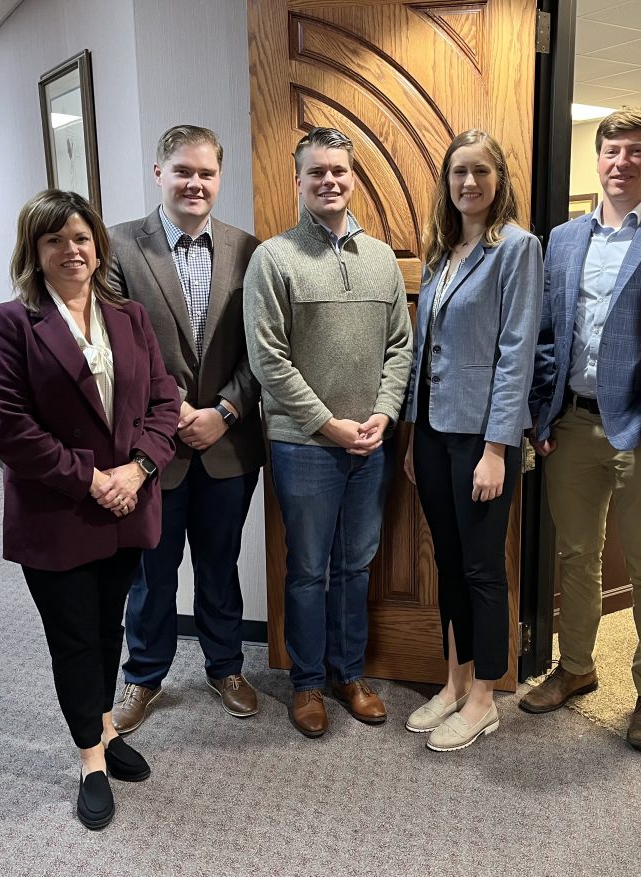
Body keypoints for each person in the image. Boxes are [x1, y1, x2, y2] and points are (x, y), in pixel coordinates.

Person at [0, 190, 179, 830]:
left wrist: (139, 469)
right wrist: (92, 479)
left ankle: (107, 729)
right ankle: (92, 758)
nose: (73, 251)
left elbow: (165, 402)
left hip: (127, 504)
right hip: (59, 513)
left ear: (99, 245)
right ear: (34, 252)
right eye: (55, 240)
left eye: (82, 238)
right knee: (73, 637)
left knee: (108, 628)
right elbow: (10, 428)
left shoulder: (130, 318)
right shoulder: (9, 323)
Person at [524, 108, 641, 753]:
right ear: (596, 159)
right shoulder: (564, 239)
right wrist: (543, 413)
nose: (621, 161)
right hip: (572, 424)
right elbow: (547, 335)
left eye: (635, 151)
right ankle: (575, 667)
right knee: (575, 555)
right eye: (611, 150)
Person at [244, 127, 412, 738]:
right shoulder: (274, 258)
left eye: (339, 170)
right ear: (298, 181)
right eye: (316, 172)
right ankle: (308, 683)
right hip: (304, 445)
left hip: (371, 443)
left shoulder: (382, 260)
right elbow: (268, 359)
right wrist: (328, 424)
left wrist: (385, 414)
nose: (330, 181)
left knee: (357, 565)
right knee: (309, 567)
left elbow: (400, 346)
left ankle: (350, 674)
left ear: (353, 176)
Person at [108, 125, 264, 734]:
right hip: (153, 446)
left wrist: (224, 411)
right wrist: (175, 415)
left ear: (219, 179)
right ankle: (143, 675)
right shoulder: (119, 246)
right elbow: (119, 346)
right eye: (182, 171)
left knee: (220, 564)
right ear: (158, 173)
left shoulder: (249, 250)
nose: (194, 183)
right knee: (152, 570)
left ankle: (225, 666)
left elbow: (264, 349)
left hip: (228, 443)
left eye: (205, 173)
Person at [401, 130, 542, 751]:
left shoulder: (515, 248)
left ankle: (485, 696)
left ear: (499, 179)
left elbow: (516, 355)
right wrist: (411, 435)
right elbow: (422, 350)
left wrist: (496, 448)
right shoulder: (441, 252)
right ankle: (453, 681)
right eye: (459, 172)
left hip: (482, 440)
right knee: (449, 564)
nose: (468, 183)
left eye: (480, 171)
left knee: (483, 568)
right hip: (432, 433)